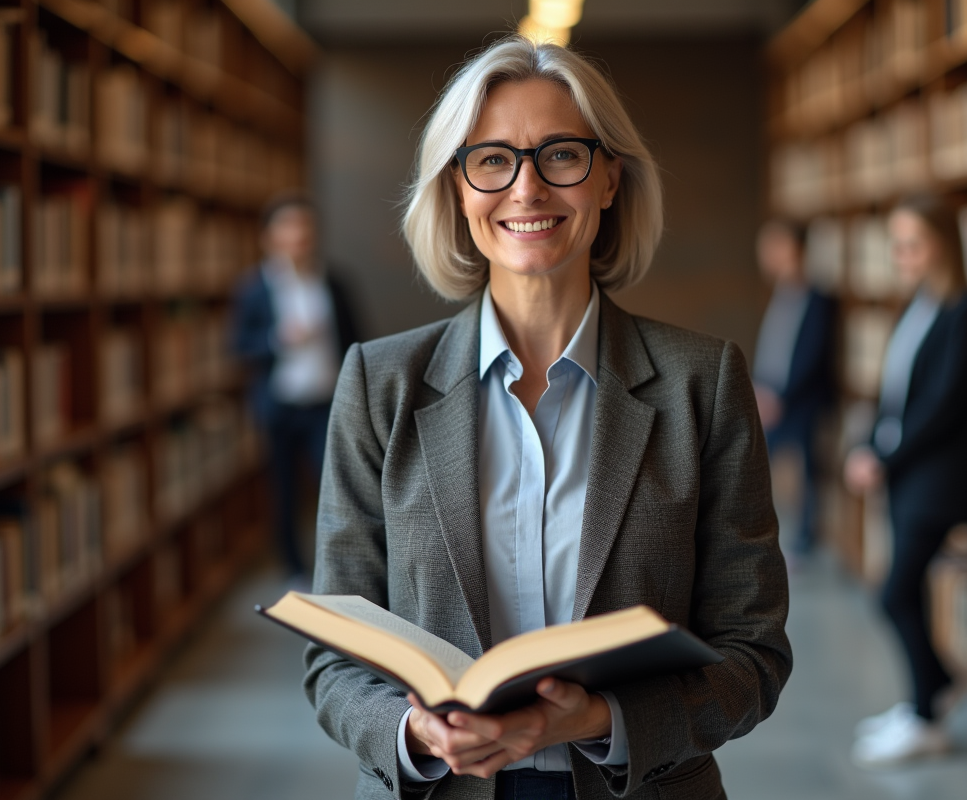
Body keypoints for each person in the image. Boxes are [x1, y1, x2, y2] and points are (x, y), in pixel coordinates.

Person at [302, 36, 792, 800]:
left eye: (560, 155)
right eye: (491, 160)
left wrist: (595, 718)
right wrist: (411, 734)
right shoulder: (379, 383)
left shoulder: (704, 382)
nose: (526, 189)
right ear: (457, 190)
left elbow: (752, 654)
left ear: (608, 180)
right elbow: (335, 658)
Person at [843, 194, 967, 767]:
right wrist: (866, 444)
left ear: (943, 245)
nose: (901, 256)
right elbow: (894, 396)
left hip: (934, 479)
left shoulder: (965, 313)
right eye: (896, 245)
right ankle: (930, 694)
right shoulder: (916, 307)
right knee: (906, 591)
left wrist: (887, 456)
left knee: (896, 591)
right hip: (904, 473)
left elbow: (944, 404)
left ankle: (930, 710)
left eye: (912, 244)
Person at [230, 192, 359, 580]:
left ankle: (337, 565)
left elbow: (356, 339)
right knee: (283, 489)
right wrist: (276, 340)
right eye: (288, 226)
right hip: (279, 404)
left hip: (326, 402)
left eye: (305, 226)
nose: (299, 234)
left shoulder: (333, 282)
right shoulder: (254, 287)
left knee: (333, 485)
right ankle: (293, 566)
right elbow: (238, 346)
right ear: (269, 236)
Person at [752, 219, 836, 557]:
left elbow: (811, 355)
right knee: (762, 467)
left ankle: (804, 539)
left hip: (799, 401)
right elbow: (773, 348)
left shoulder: (817, 298)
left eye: (775, 246)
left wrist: (780, 396)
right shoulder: (780, 294)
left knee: (805, 469)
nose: (767, 255)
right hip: (771, 395)